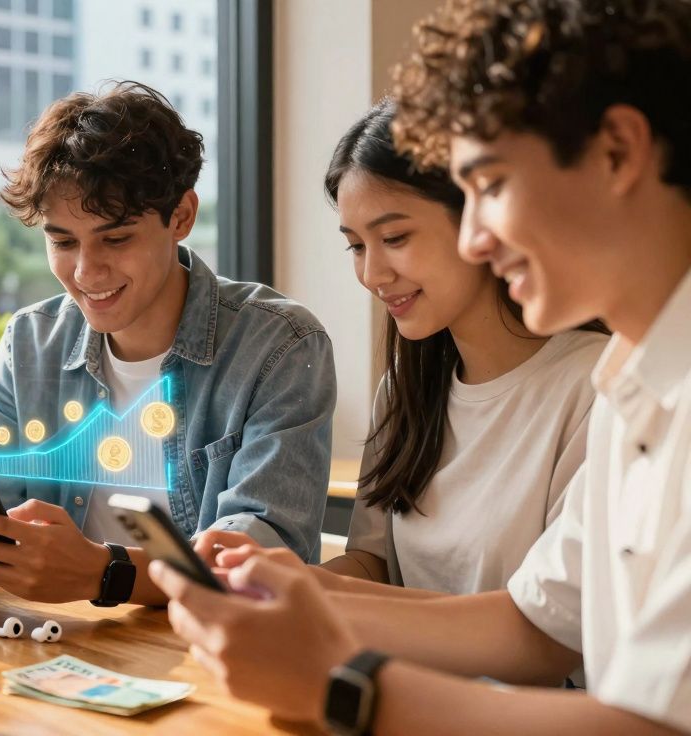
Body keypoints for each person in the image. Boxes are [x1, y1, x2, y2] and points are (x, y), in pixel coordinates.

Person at [152, 1, 691, 733]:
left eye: (491, 187)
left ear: (619, 152)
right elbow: (531, 623)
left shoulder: (626, 387)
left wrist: (342, 688)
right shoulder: (634, 382)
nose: (477, 237)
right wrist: (295, 591)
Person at [0, 82, 336, 606]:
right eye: (63, 242)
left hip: (219, 654)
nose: (87, 272)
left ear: (181, 216)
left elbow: (265, 559)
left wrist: (105, 572)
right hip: (62, 650)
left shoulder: (281, 346)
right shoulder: (29, 344)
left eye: (115, 239)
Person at [198, 100, 607, 599]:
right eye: (356, 245)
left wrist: (312, 600)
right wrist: (274, 586)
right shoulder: (406, 386)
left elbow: (545, 629)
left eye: (393, 237)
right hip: (397, 669)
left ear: (479, 222)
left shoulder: (594, 387)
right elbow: (378, 564)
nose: (372, 275)